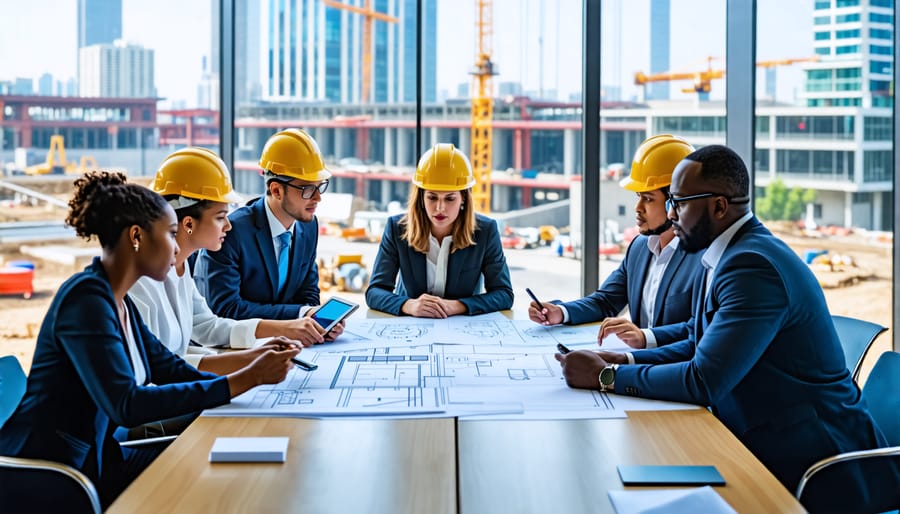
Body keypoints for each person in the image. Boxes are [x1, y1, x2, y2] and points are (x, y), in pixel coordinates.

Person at [555, 145, 900, 513]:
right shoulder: (729, 252)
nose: (672, 216)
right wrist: (623, 357)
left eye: (680, 203)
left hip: (815, 467)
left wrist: (607, 377)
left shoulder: (752, 266)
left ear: (719, 207)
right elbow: (697, 338)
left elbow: (704, 380)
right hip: (764, 437)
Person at [0, 171, 299, 508]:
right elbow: (127, 404)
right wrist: (243, 380)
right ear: (137, 237)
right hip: (53, 474)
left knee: (207, 470)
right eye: (171, 234)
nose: (176, 247)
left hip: (97, 460)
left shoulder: (119, 300)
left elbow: (168, 367)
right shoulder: (85, 301)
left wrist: (249, 376)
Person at [129, 147, 329, 375]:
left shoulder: (180, 269)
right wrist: (249, 368)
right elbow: (157, 367)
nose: (228, 225)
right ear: (188, 224)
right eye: (220, 217)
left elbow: (207, 325)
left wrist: (270, 341)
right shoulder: (141, 283)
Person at [529, 134, 702, 349]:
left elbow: (700, 331)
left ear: (675, 202)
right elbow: (605, 301)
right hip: (639, 366)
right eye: (638, 196)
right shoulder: (640, 247)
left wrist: (645, 337)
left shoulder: (702, 258)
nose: (637, 208)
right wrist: (561, 312)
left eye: (648, 199)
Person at [194, 130, 342, 341]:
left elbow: (308, 291)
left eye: (319, 187)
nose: (318, 197)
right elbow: (227, 308)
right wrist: (299, 316)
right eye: (307, 189)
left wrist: (314, 321)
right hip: (234, 347)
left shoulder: (308, 226)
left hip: (286, 344)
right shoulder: (230, 232)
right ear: (276, 190)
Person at [365, 143, 513, 317]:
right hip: (412, 327)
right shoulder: (397, 228)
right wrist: (409, 305)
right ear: (421, 197)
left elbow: (504, 294)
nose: (440, 208)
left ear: (463, 198)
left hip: (462, 328)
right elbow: (374, 292)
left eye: (450, 199)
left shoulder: (485, 231)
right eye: (432, 197)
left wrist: (456, 306)